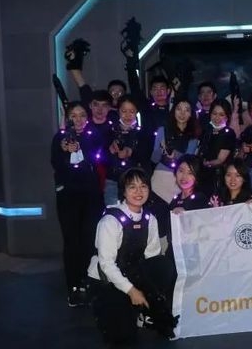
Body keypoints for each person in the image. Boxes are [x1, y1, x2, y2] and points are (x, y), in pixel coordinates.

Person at [87, 168, 178, 343]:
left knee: (163, 266)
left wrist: (152, 294)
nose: (138, 192)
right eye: (132, 187)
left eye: (143, 186)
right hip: (107, 280)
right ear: (124, 191)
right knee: (123, 337)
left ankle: (144, 312)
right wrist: (132, 291)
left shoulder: (150, 219)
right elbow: (107, 265)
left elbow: (152, 257)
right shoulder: (110, 221)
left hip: (133, 273)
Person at [51, 102, 104, 307]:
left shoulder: (94, 135)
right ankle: (73, 286)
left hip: (91, 195)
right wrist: (65, 150)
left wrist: (81, 147)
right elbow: (56, 164)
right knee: (71, 241)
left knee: (90, 239)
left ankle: (88, 283)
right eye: (74, 115)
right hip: (68, 197)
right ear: (68, 118)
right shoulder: (59, 138)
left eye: (82, 115)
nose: (79, 119)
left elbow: (98, 158)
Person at [150, 99, 200, 204]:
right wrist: (161, 148)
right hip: (161, 176)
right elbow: (154, 159)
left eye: (186, 110)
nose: (182, 113)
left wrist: (175, 154)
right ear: (173, 111)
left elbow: (188, 160)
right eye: (179, 109)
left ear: (191, 114)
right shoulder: (162, 130)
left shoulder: (193, 136)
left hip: (181, 179)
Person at [104, 95, 149, 205]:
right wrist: (109, 150)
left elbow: (146, 156)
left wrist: (130, 152)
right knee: (113, 212)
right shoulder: (110, 130)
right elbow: (100, 156)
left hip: (135, 182)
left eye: (131, 111)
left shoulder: (143, 132)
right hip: (113, 180)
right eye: (124, 111)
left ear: (137, 112)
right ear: (118, 111)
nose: (128, 115)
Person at [197, 98, 236, 196]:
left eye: (221, 114)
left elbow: (220, 160)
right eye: (214, 113)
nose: (217, 117)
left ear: (227, 117)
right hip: (202, 174)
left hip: (219, 177)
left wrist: (206, 163)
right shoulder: (207, 130)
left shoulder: (229, 134)